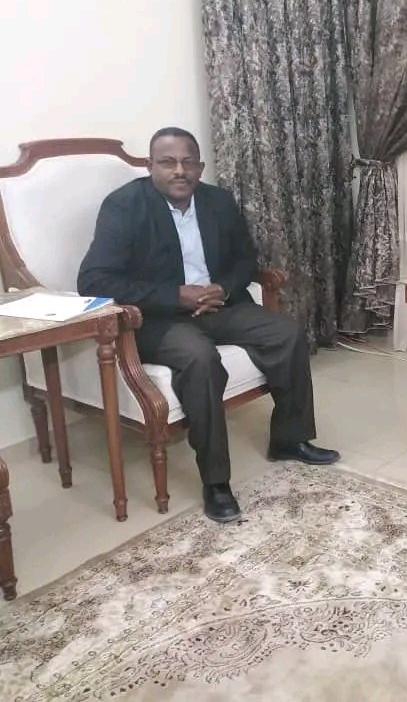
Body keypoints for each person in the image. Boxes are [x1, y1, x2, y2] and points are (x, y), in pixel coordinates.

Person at [78, 127, 340, 523]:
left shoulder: (218, 201)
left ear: (200, 167)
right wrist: (174, 295)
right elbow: (94, 280)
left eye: (188, 162)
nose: (179, 171)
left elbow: (245, 260)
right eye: (168, 162)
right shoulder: (124, 206)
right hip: (158, 318)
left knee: (286, 333)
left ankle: (290, 439)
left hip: (218, 305)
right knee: (199, 358)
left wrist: (224, 287)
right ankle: (216, 482)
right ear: (150, 166)